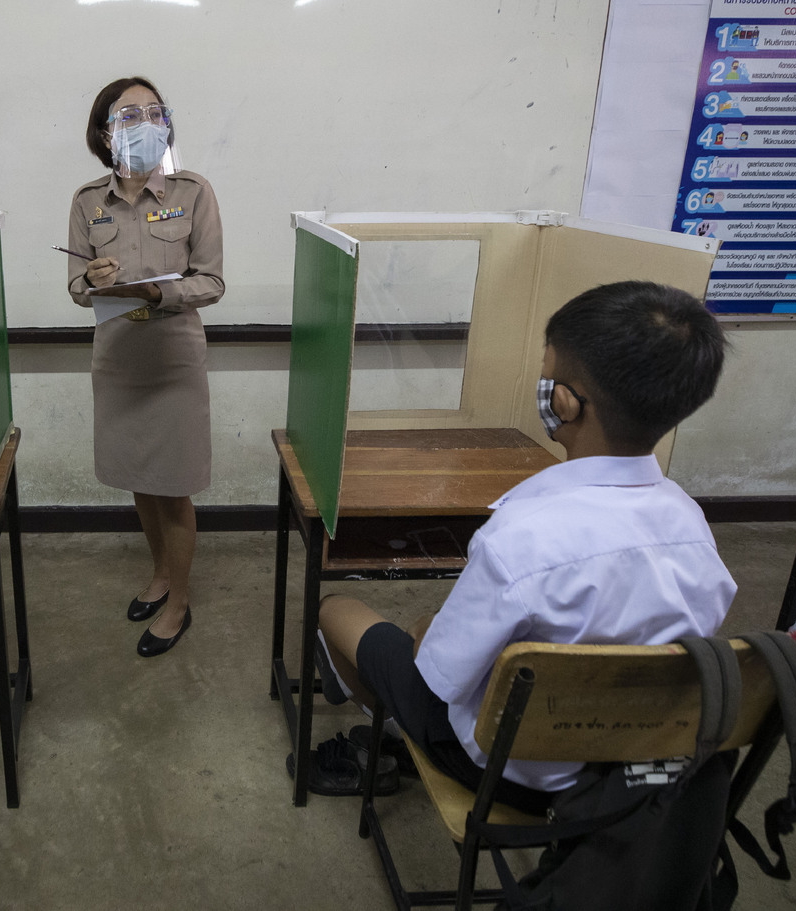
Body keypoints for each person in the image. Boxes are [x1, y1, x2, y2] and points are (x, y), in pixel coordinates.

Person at [309, 281, 737, 808]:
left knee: (339, 608)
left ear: (565, 401)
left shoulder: (521, 536)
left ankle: (387, 733)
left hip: (507, 772)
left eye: (549, 374)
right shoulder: (694, 529)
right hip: (628, 765)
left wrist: (423, 631)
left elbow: (440, 672)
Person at [66, 76, 224, 658]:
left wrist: (161, 294)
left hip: (173, 362)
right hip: (118, 364)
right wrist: (94, 280)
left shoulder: (193, 191)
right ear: (106, 134)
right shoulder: (88, 202)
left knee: (175, 487)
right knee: (140, 478)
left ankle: (178, 603)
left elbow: (211, 280)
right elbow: (76, 287)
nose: (145, 123)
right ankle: (159, 575)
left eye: (154, 112)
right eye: (129, 115)